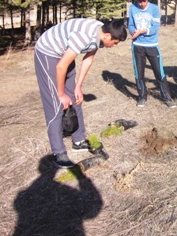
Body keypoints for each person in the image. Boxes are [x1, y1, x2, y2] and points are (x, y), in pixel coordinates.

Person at [34, 18, 127, 168]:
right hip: (48, 53)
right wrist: (61, 94)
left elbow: (88, 59)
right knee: (55, 103)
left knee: (76, 98)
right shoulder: (83, 36)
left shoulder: (99, 33)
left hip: (65, 53)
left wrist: (78, 86)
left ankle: (78, 141)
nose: (114, 46)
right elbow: (60, 67)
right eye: (115, 43)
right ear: (108, 36)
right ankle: (59, 152)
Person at [128, 0, 177, 109]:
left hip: (152, 46)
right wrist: (134, 32)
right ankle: (142, 96)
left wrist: (143, 31)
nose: (142, 4)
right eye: (139, 2)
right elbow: (130, 24)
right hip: (137, 46)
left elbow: (155, 27)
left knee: (159, 72)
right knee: (139, 73)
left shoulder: (154, 9)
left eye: (144, 1)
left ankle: (166, 97)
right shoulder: (132, 8)